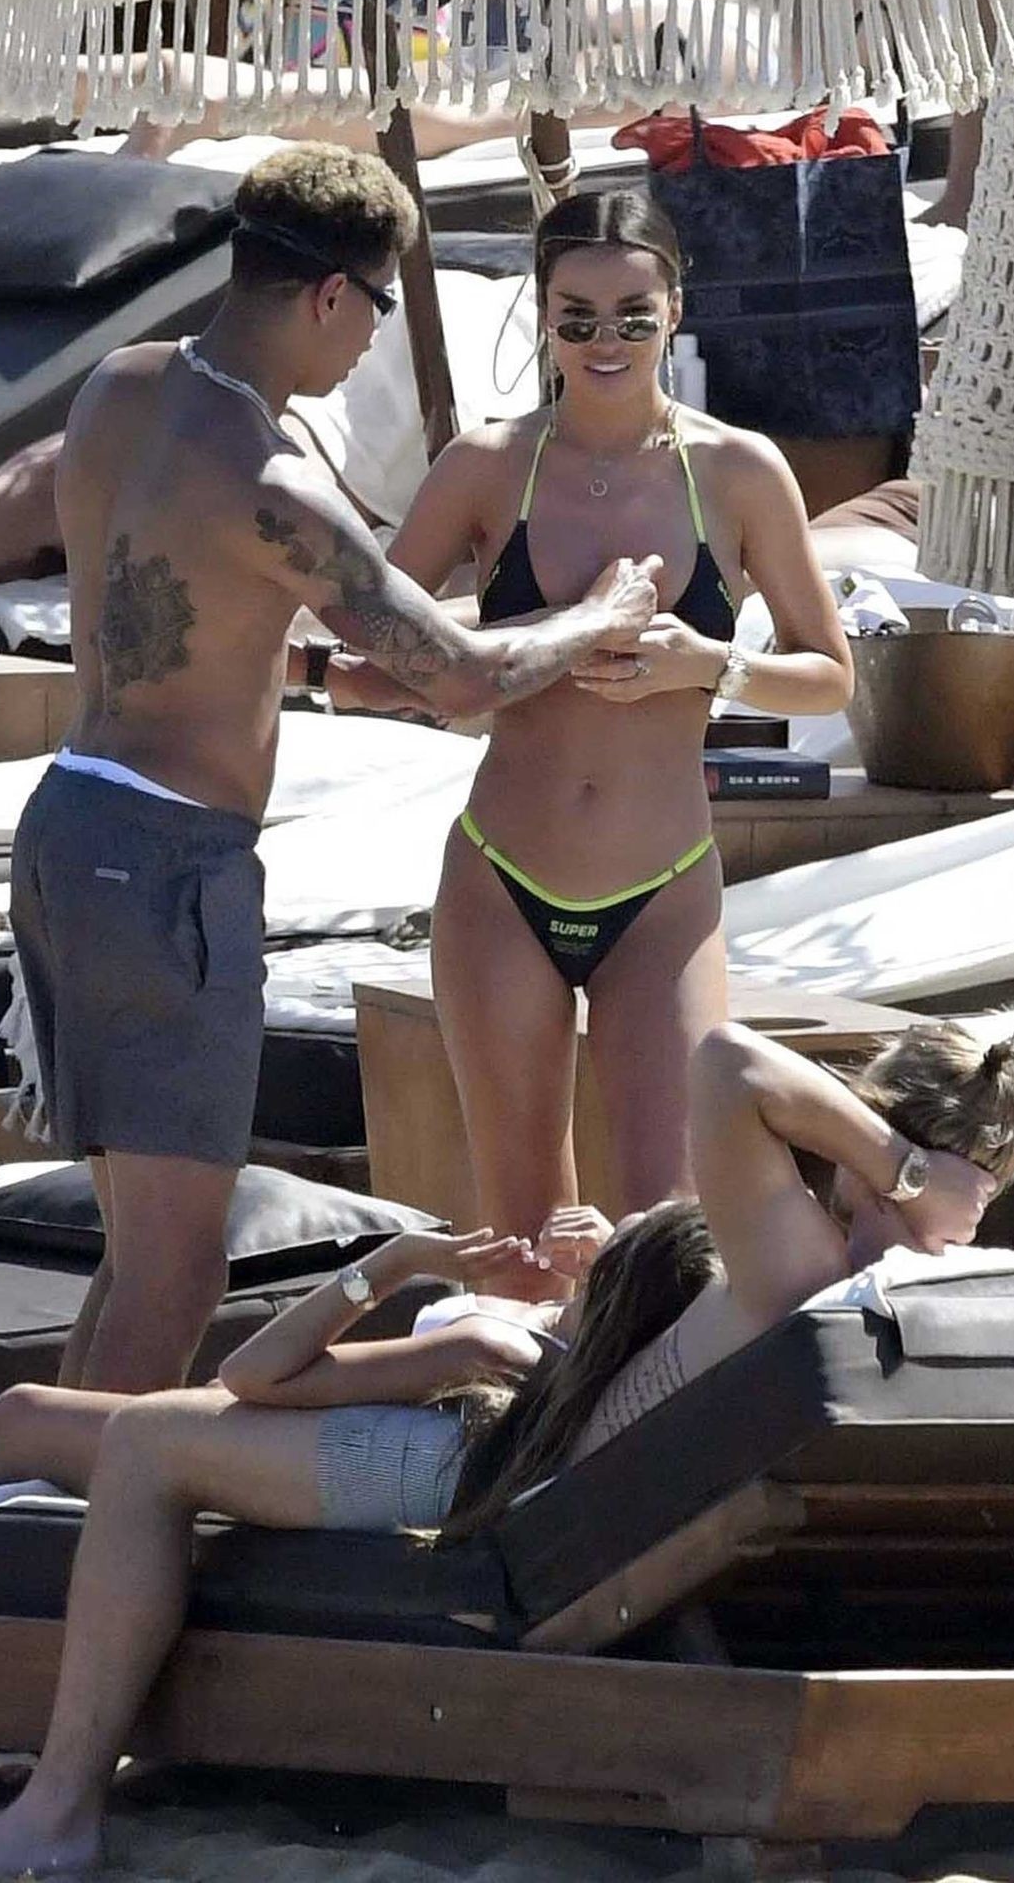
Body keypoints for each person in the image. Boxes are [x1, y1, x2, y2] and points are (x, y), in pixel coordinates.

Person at [0, 1014, 995, 1874]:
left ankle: (60, 1803)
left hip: (482, 1478)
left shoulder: (801, 1261)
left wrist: (898, 1167)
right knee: (73, 1432)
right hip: (505, 1455)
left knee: (147, 1447)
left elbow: (726, 1059)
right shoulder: (916, 1298)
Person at [9, 141, 661, 1398]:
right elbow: (461, 680)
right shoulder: (275, 480)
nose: (370, 341)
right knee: (178, 1272)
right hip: (167, 871)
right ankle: (95, 1497)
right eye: (377, 309)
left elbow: (183, 603)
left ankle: (39, 1485)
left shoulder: (120, 388)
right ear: (328, 296)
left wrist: (307, 670)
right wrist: (602, 616)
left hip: (72, 828)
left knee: (139, 1254)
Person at [385, 189, 854, 1274]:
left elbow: (830, 679)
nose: (607, 342)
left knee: (667, 1235)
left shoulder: (737, 470)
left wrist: (710, 665)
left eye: (634, 316)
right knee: (523, 1243)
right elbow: (380, 647)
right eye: (578, 317)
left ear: (675, 310)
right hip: (503, 880)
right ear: (543, 316)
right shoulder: (487, 466)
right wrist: (547, 636)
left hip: (664, 892)